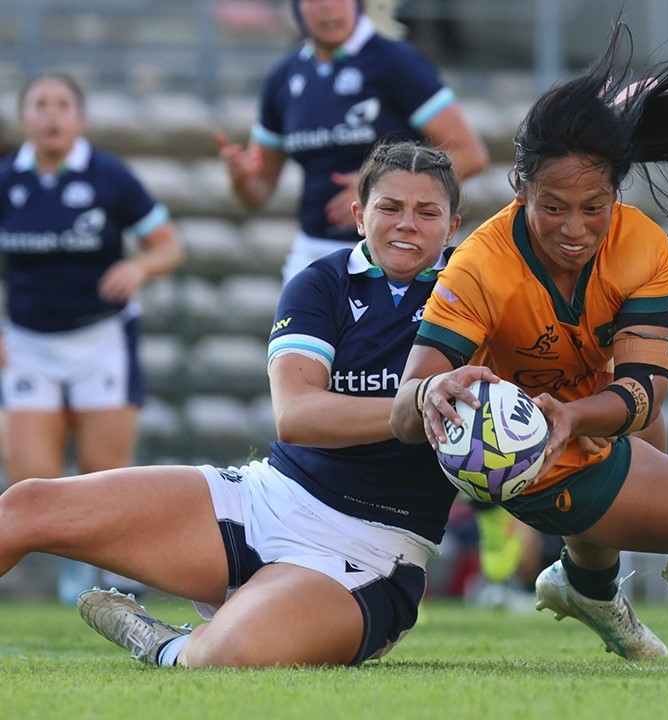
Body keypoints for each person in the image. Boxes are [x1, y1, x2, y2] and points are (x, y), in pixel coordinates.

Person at [389, 20, 668, 661]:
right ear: (519, 189)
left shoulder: (642, 246)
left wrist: (574, 414)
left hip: (590, 412)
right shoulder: (479, 264)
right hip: (531, 462)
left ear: (616, 193)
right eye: (552, 207)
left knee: (643, 442)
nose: (574, 229)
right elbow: (405, 404)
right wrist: (429, 393)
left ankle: (609, 586)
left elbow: (645, 390)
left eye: (594, 206)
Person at [0, 141, 464, 667]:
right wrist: (419, 401)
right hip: (266, 498)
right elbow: (296, 416)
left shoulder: (472, 296)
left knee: (231, 651)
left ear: (452, 228)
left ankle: (168, 644)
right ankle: (255, 601)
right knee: (25, 506)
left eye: (428, 213)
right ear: (359, 216)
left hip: (370, 549)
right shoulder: (320, 282)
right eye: (390, 208)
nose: (408, 224)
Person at [0, 72, 185, 603]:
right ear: (25, 118)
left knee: (105, 476)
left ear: (79, 118)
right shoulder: (7, 179)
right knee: (31, 479)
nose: (52, 115)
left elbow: (168, 247)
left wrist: (140, 268)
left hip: (101, 339)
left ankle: (106, 576)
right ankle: (76, 567)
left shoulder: (109, 176)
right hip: (27, 344)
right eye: (40, 105)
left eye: (62, 105)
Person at [214, 0, 489, 282]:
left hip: (395, 256)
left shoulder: (397, 63)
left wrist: (376, 188)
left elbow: (471, 155)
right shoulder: (283, 77)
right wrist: (242, 178)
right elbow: (257, 193)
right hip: (314, 254)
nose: (328, 7)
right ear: (297, 8)